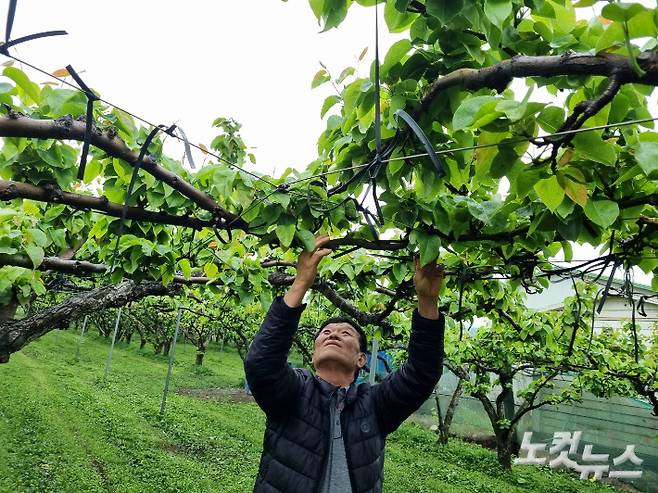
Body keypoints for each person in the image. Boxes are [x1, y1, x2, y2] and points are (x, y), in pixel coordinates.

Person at [244, 235, 445, 493]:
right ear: (314, 355)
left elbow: (421, 374)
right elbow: (261, 363)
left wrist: (427, 301)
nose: (334, 334)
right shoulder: (294, 393)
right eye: (325, 333)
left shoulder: (375, 406)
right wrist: (301, 282)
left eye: (345, 333)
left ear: (361, 359)